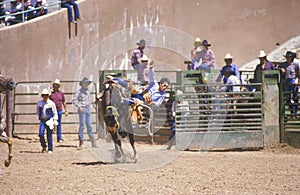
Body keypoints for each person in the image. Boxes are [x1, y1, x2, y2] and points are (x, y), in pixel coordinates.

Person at [72, 77, 97, 148]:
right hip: (82, 110)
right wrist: (79, 106)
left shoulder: (87, 91)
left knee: (89, 126)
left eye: (87, 83)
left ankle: (93, 141)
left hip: (87, 109)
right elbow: (74, 100)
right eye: (85, 83)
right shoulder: (79, 92)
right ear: (82, 84)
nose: (86, 84)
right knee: (82, 125)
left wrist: (92, 106)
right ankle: (81, 141)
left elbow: (89, 100)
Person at [36, 88, 58, 154]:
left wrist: (54, 121)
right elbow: (37, 111)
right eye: (44, 95)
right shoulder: (39, 103)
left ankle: (50, 148)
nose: (45, 97)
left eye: (46, 95)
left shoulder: (51, 103)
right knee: (41, 134)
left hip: (49, 120)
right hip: (43, 120)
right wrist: (39, 116)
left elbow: (55, 112)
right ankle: (44, 146)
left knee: (49, 135)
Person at [278, 51, 299, 117]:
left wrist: (297, 79)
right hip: (287, 80)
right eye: (287, 57)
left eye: (288, 57)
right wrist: (280, 69)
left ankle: (294, 112)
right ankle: (292, 111)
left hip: (293, 80)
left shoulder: (296, 63)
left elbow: (298, 72)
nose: (287, 58)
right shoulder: (284, 64)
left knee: (295, 96)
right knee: (287, 97)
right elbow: (276, 67)